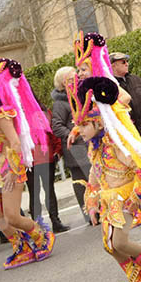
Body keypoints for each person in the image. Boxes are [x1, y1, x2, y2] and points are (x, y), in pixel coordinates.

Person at [66, 73, 141, 282]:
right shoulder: (95, 145)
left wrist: (136, 198)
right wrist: (91, 201)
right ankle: (137, 277)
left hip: (125, 196)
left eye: (83, 125)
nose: (79, 130)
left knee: (120, 241)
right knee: (109, 245)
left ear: (99, 121)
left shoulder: (115, 144)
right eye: (78, 126)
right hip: (108, 198)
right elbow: (95, 171)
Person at [0, 58, 55, 269]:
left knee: (11, 215)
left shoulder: (2, 114)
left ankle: (42, 236)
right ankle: (21, 248)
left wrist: (13, 170)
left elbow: (14, 142)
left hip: (11, 169)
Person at [50, 66, 91, 222]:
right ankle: (89, 212)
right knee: (81, 181)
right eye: (71, 79)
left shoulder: (80, 96)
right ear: (63, 84)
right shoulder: (60, 103)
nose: (76, 80)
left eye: (76, 77)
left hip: (86, 144)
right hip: (76, 148)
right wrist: (72, 134)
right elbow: (57, 125)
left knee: (92, 177)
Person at [25, 103, 68, 233]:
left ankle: (38, 225)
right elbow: (52, 133)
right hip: (45, 156)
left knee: (34, 192)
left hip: (30, 160)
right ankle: (55, 221)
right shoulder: (43, 112)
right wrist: (57, 150)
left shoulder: (17, 115)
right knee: (48, 190)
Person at [110, 52, 141, 157]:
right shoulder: (112, 85)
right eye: (123, 62)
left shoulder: (135, 79)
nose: (127, 64)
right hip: (132, 135)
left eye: (127, 61)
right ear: (113, 65)